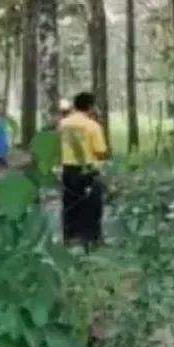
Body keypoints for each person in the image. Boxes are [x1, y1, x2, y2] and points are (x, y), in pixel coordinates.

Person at [58, 92, 108, 248]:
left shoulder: (63, 124)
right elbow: (100, 151)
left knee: (70, 204)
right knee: (92, 206)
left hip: (67, 169)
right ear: (91, 107)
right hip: (87, 170)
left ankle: (69, 237)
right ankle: (91, 238)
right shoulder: (93, 126)